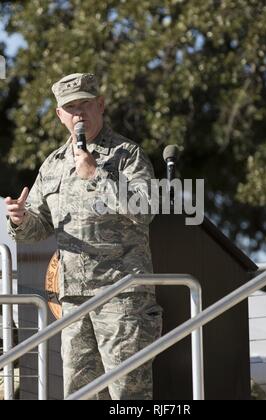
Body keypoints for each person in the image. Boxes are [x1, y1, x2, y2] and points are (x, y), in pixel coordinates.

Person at [5, 73, 163, 400]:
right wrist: (20, 220)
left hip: (122, 295)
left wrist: (98, 175)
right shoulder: (53, 165)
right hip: (73, 299)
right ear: (59, 115)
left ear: (100, 105)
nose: (79, 114)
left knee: (128, 394)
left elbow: (147, 208)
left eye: (85, 105)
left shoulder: (127, 155)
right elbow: (38, 230)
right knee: (79, 393)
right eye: (70, 107)